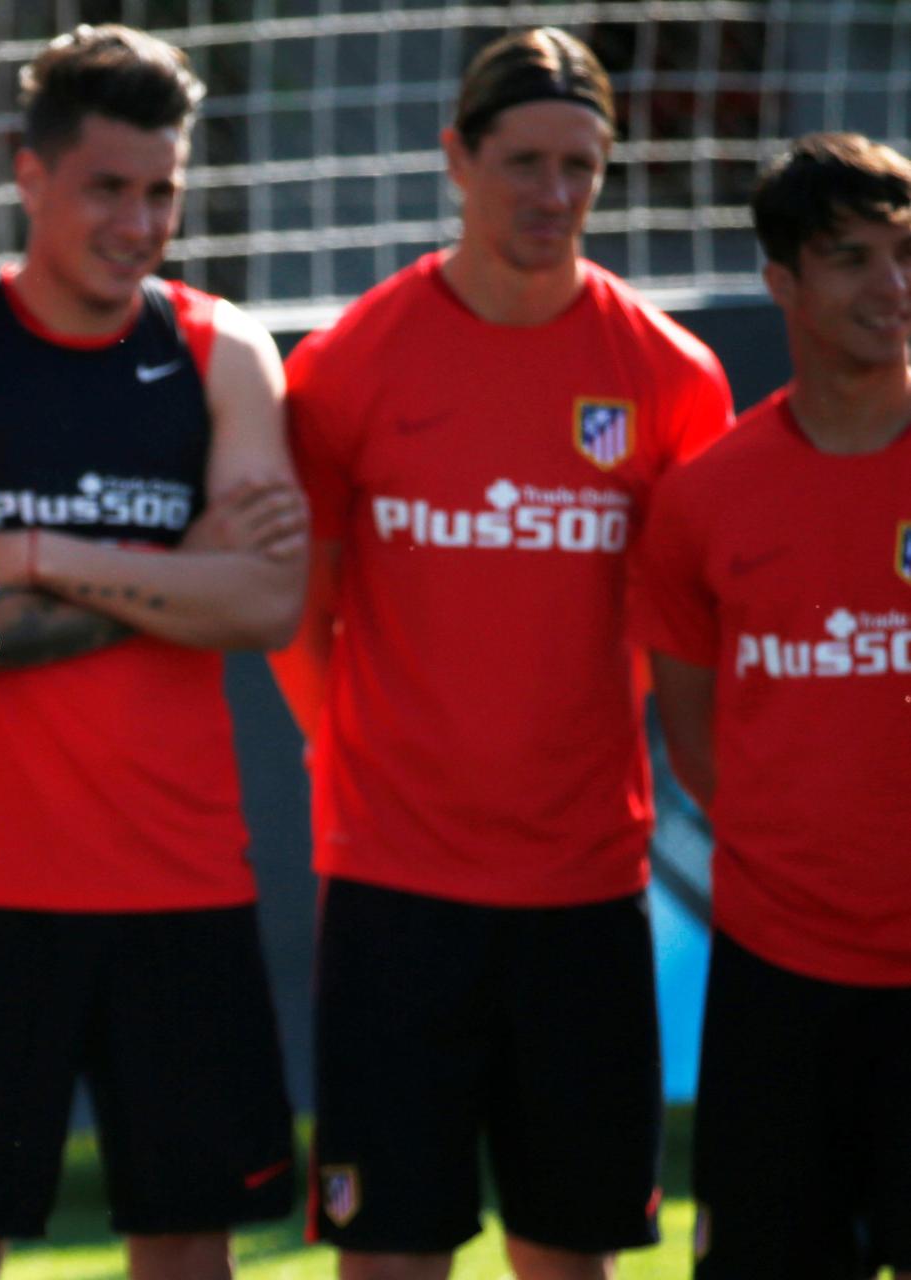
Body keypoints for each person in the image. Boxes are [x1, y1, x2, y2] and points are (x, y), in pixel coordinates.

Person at [272, 27, 733, 1280]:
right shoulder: (348, 364)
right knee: (387, 1251)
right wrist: (373, 760)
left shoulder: (670, 376)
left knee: (569, 1254)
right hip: (391, 886)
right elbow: (295, 623)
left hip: (584, 887)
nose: (552, 194)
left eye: (579, 165)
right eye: (522, 161)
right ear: (454, 160)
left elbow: (692, 634)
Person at [0, 24, 306, 1280]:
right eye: (107, 187)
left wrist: (38, 549)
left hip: (183, 877)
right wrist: (186, 566)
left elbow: (270, 602)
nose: (139, 220)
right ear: (29, 176)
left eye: (162, 189)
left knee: (186, 1239)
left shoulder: (223, 348)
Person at [634, 133, 911, 1280]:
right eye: (850, 259)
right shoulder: (707, 496)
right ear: (781, 285)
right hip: (778, 967)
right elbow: (693, 729)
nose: (889, 288)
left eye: (904, 254)